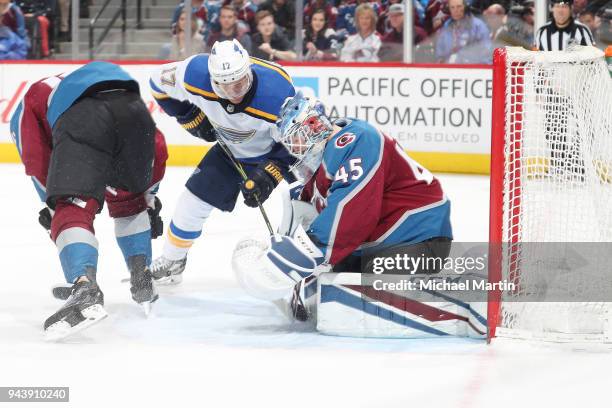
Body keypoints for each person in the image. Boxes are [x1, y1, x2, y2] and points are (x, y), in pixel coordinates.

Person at [232, 92, 453, 321]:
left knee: (341, 305)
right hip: (378, 246)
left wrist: (301, 257)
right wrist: (287, 257)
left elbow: (352, 215)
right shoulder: (321, 163)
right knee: (319, 301)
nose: (294, 147)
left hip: (418, 240)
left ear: (313, 125)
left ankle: (445, 293)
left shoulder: (357, 140)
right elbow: (305, 212)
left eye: (296, 137)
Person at [10, 62, 168, 340]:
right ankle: (141, 274)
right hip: (135, 112)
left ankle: (84, 288)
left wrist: (53, 204)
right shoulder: (113, 88)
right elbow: (157, 146)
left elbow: (36, 160)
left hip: (85, 117)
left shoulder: (34, 98)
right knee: (129, 201)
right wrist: (149, 198)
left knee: (73, 207)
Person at [148, 39, 295, 284]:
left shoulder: (276, 90)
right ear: (212, 79)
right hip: (230, 151)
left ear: (248, 71)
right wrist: (189, 116)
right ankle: (173, 260)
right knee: (190, 203)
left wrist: (270, 172)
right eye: (225, 87)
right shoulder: (194, 72)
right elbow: (156, 83)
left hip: (276, 152)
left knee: (306, 199)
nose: (234, 93)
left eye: (240, 84)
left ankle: (318, 255)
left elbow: (300, 141)